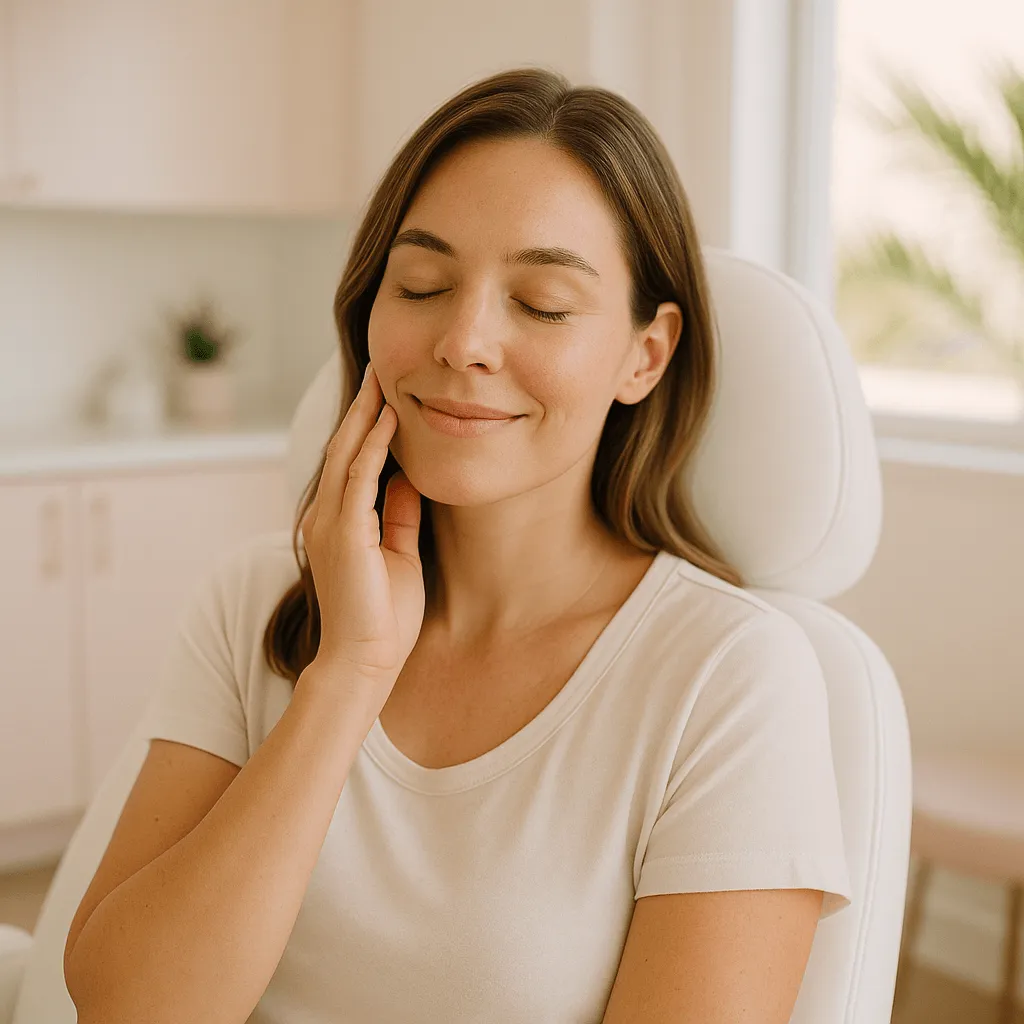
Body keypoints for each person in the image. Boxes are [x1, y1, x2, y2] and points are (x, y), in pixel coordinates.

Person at [63, 67, 852, 1023]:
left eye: (544, 303)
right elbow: (127, 1005)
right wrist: (347, 675)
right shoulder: (254, 604)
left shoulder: (731, 680)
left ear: (644, 354)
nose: (464, 339)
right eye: (423, 284)